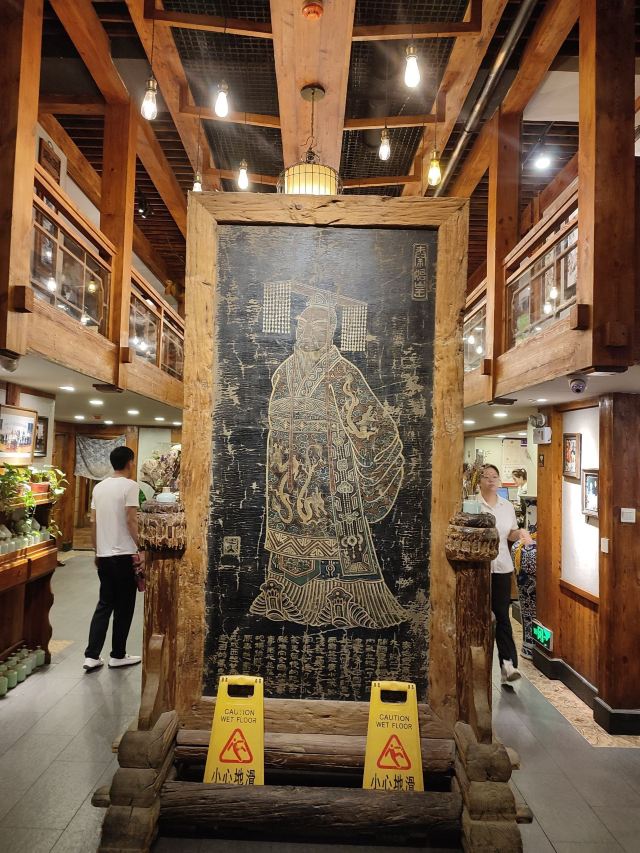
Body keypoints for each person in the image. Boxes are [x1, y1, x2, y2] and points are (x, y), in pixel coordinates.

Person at [250, 303, 407, 629]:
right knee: (287, 540)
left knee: (334, 543)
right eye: (302, 326)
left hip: (331, 477)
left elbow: (374, 426)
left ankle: (337, 603)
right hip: (286, 478)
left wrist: (370, 460)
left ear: (331, 332)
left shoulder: (343, 373)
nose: (307, 332)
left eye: (317, 327)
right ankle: (284, 598)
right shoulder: (284, 372)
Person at [83, 445, 143, 672]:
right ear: (129, 462)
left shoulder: (99, 487)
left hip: (105, 555)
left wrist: (96, 551)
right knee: (124, 607)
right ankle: (118, 655)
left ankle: (91, 656)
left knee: (104, 604)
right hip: (124, 555)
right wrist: (142, 548)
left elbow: (93, 521)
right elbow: (131, 520)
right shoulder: (130, 486)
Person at [478, 464, 533, 684]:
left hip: (501, 567)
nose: (491, 480)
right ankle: (478, 668)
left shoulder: (507, 506)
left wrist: (521, 533)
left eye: (495, 476)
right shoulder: (472, 504)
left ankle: (508, 665)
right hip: (478, 569)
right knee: (478, 617)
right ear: (479, 481)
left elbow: (510, 534)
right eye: (487, 476)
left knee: (502, 615)